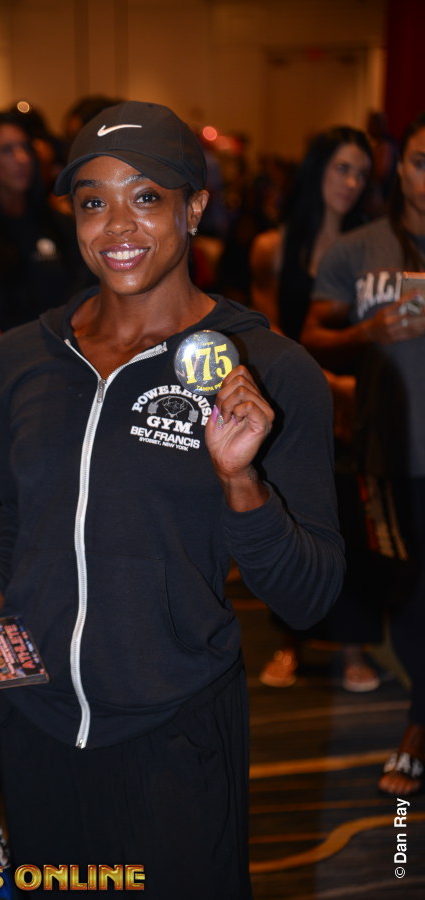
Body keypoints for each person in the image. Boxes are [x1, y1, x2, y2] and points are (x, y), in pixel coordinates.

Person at [0, 101, 344, 897]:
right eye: (93, 201)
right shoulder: (20, 359)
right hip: (35, 727)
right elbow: (20, 524)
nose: (117, 225)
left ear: (195, 207)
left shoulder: (271, 371)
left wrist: (242, 483)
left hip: (174, 732)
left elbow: (309, 595)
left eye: (146, 196)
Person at [302, 111, 425, 798]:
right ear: (399, 167)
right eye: (421, 162)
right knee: (403, 592)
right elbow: (311, 334)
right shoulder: (357, 250)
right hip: (386, 448)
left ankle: (417, 727)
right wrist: (367, 330)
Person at [250, 126, 375, 690]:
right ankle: (290, 642)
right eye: (342, 168)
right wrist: (327, 383)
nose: (352, 183)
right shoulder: (274, 247)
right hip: (297, 398)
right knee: (293, 519)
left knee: (355, 523)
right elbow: (267, 330)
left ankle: (354, 648)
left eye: (362, 173)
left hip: (360, 405)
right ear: (317, 169)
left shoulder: (370, 248)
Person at [0, 110, 90, 522]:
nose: (22, 159)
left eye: (24, 147)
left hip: (68, 372)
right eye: (6, 151)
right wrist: (25, 364)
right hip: (6, 378)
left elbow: (84, 298)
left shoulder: (61, 227)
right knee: (8, 495)